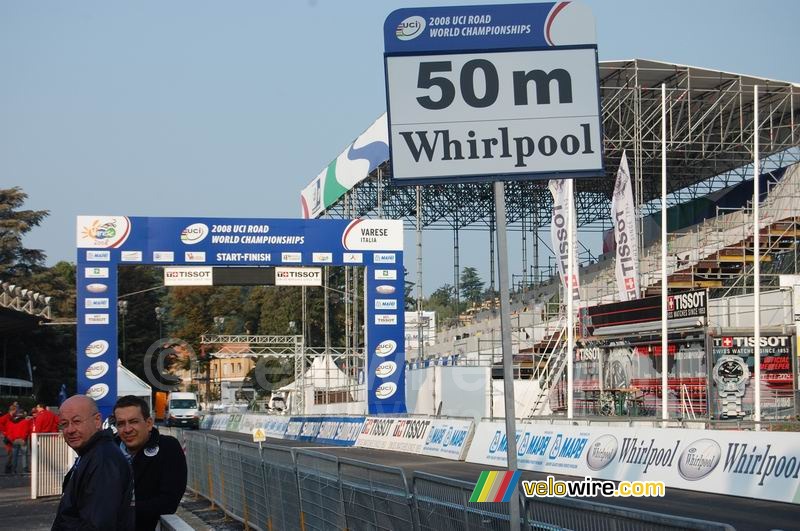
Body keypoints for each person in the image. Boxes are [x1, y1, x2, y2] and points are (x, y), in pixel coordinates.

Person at [52, 395, 134, 530]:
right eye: (64, 424)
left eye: (77, 421)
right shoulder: (92, 454)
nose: (70, 430)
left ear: (97, 421)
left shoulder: (103, 460)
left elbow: (98, 524)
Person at [113, 395, 187, 531]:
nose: (127, 429)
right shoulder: (107, 451)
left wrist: (121, 508)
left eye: (133, 421)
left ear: (148, 424)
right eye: (121, 423)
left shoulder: (167, 448)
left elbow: (169, 502)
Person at [5, 409, 31, 473]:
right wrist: (24, 438)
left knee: (14, 456)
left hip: (14, 440)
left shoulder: (11, 421)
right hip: (22, 440)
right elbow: (27, 431)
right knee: (24, 455)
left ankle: (14, 470)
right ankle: (25, 469)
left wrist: (12, 439)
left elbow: (9, 431)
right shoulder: (25, 421)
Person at [0, 404, 18, 473]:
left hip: (12, 436)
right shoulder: (6, 417)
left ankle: (9, 468)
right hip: (8, 436)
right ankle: (7, 468)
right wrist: (4, 431)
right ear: (12, 410)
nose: (16, 412)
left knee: (11, 453)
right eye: (15, 410)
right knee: (10, 453)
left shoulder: (12, 417)